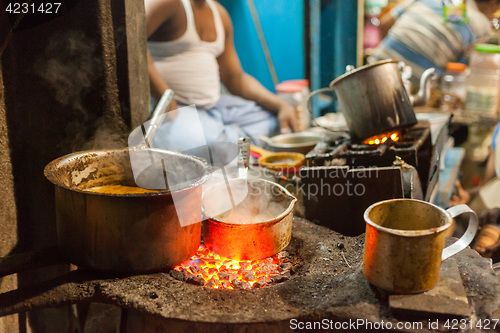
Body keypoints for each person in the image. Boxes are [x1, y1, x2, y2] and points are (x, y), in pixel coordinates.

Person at [144, 0, 299, 154]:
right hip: (179, 109)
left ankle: (227, 144)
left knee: (275, 122)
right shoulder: (168, 3)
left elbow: (236, 79)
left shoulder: (220, 14)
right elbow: (132, 42)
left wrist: (281, 105)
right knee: (209, 145)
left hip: (216, 107)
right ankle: (230, 146)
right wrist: (167, 102)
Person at [370, 0, 499, 87]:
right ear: (494, 3)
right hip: (416, 88)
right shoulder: (482, 26)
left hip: (374, 71)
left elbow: (384, 24)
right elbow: (457, 72)